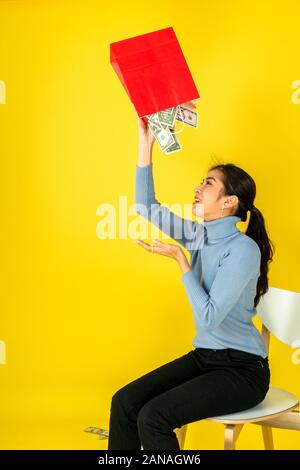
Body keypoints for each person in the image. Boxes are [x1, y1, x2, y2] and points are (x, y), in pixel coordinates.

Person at [108, 105, 275, 450]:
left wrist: (182, 263)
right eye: (202, 180)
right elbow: (146, 207)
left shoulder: (243, 250)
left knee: (153, 417)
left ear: (229, 201)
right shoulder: (199, 234)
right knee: (125, 402)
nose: (199, 187)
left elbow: (210, 317)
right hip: (206, 358)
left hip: (242, 372)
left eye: (209, 183)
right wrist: (145, 145)